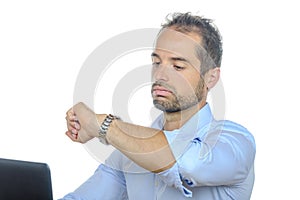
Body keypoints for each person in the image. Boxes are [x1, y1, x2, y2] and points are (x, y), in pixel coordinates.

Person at [61, 12, 256, 200]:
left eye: (178, 66)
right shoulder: (128, 153)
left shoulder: (235, 142)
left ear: (211, 77)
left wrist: (103, 126)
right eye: (156, 62)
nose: (160, 75)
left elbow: (187, 164)